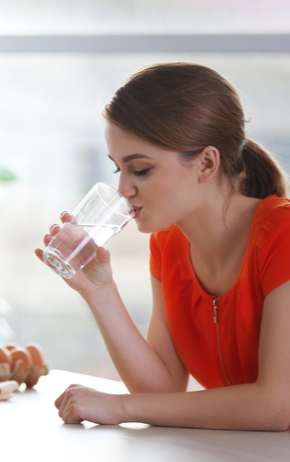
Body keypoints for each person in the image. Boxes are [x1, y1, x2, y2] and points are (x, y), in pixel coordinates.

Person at [35, 62, 290, 431]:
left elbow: (277, 406)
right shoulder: (169, 243)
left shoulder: (282, 233)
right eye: (117, 169)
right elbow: (163, 389)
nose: (123, 189)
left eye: (140, 170)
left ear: (206, 163)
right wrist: (100, 292)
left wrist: (121, 408)